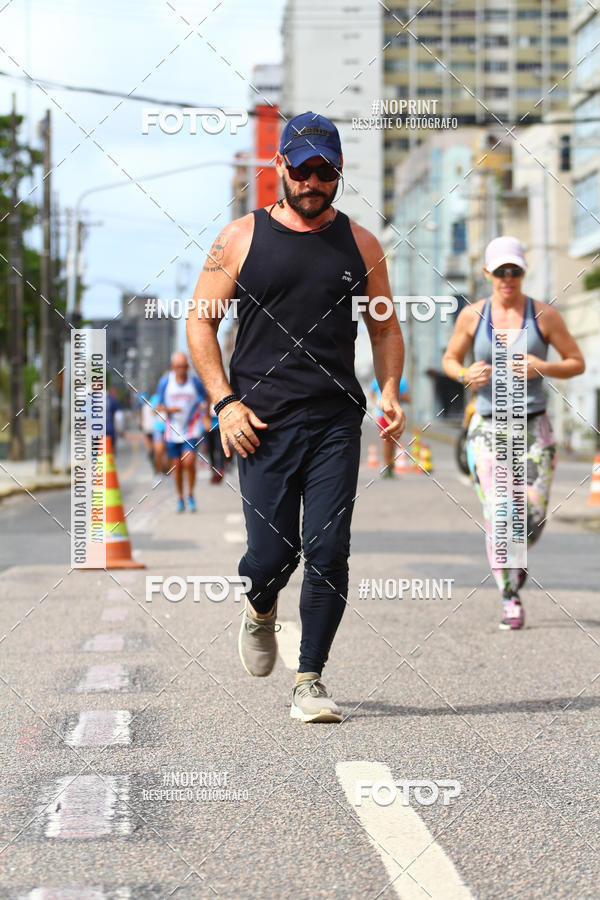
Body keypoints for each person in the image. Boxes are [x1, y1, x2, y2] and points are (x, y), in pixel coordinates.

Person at [187, 110, 406, 722]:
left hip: (335, 420)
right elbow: (200, 323)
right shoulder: (239, 238)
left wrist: (390, 388)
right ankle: (260, 607)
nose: (313, 182)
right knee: (271, 557)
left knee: (328, 549)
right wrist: (225, 403)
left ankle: (310, 679)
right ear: (280, 165)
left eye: (326, 172)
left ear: (339, 172)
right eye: (303, 169)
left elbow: (385, 329)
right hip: (259, 424)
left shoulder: (362, 245)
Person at [442, 235, 585, 630]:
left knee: (530, 518)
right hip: (489, 428)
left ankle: (515, 558)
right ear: (487, 272)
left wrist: (543, 367)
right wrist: (465, 373)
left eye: (514, 271)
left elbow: (576, 362)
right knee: (501, 513)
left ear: (523, 272)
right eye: (500, 271)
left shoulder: (544, 316)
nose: (507, 278)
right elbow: (450, 358)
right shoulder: (473, 315)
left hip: (534, 428)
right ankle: (510, 597)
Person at [156, 352, 207, 513]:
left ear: (187, 366)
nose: (181, 369)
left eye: (184, 366)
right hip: (172, 430)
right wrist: (170, 409)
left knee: (189, 462)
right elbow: (158, 406)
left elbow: (206, 397)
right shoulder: (165, 382)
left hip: (191, 428)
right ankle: (180, 497)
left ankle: (190, 494)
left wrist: (205, 416)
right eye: (178, 366)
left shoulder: (194, 382)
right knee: (177, 467)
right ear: (173, 367)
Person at [370, 374, 410, 477]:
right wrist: (378, 403)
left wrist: (391, 397)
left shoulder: (380, 377)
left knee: (392, 441)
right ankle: (388, 467)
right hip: (386, 414)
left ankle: (389, 466)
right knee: (388, 441)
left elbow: (407, 398)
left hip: (392, 415)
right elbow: (372, 393)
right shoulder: (399, 379)